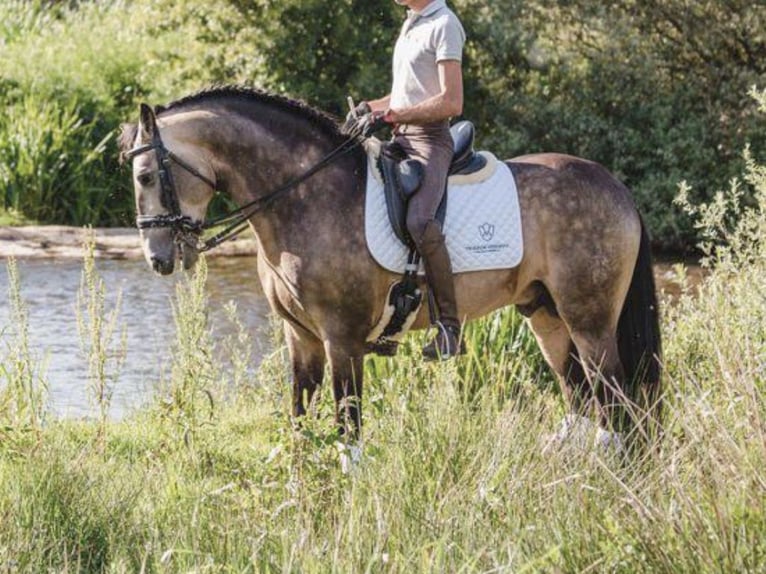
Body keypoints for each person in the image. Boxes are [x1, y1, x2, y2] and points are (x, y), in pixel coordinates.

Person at [348, 0, 466, 360]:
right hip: (400, 139)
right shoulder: (411, 23)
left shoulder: (444, 23)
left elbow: (451, 101)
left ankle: (449, 327)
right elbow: (405, 95)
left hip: (430, 141)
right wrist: (373, 107)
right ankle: (389, 315)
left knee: (419, 220)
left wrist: (395, 114)